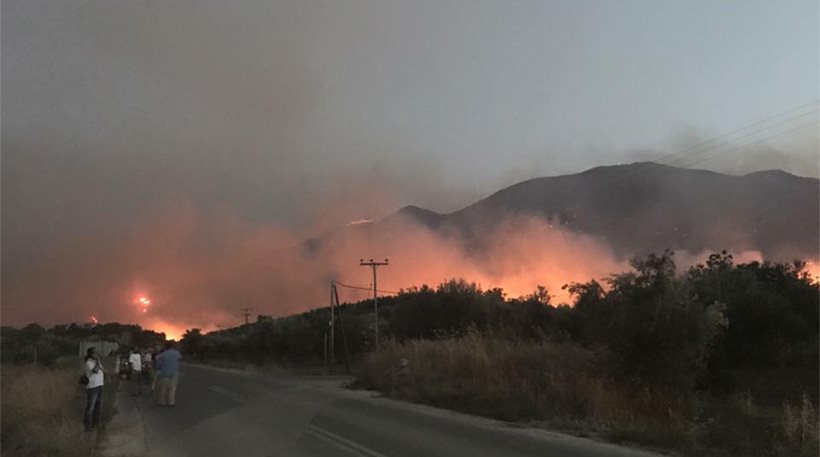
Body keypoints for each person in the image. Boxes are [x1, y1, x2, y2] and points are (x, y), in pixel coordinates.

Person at [83, 347, 104, 431]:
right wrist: (98, 362)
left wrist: (99, 362)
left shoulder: (96, 362)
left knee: (97, 406)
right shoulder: (89, 363)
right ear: (91, 354)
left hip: (99, 385)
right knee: (91, 406)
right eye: (95, 353)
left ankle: (95, 424)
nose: (97, 354)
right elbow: (95, 371)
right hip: (92, 386)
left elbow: (102, 370)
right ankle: (87, 425)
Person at [155, 341, 182, 406]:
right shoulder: (177, 353)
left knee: (163, 389)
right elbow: (179, 360)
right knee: (172, 388)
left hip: (164, 373)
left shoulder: (162, 355)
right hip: (174, 373)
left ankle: (162, 402)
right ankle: (171, 402)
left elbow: (158, 365)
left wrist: (157, 368)